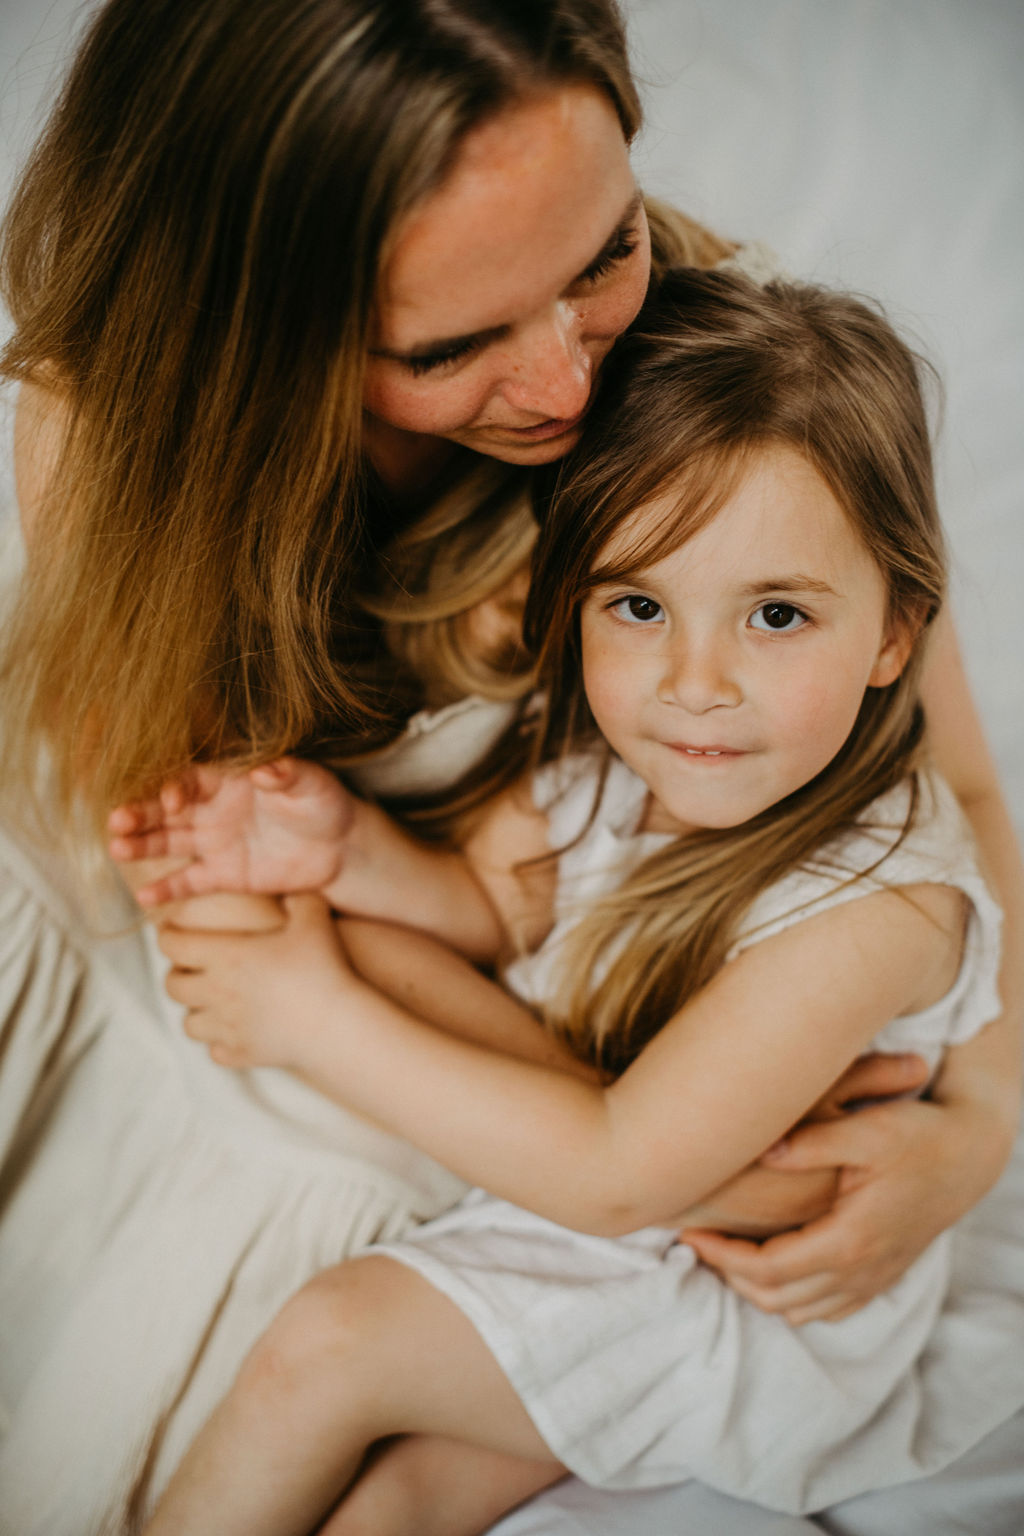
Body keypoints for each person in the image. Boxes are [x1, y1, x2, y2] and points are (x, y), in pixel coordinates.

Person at [0, 0, 1019, 1531]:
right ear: (253, 323)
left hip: (583, 1086)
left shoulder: (711, 373)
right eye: (453, 343)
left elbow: (957, 788)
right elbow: (245, 929)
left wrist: (981, 1123)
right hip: (293, 1047)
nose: (565, 385)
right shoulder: (119, 455)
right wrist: (716, 1170)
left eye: (602, 256)